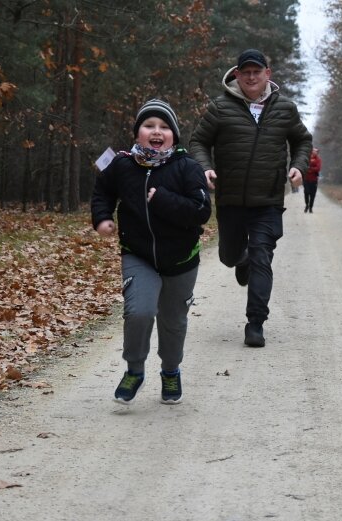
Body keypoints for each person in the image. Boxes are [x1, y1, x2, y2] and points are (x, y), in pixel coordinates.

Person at [189, 49, 312, 347]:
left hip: (267, 201)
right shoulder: (220, 108)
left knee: (262, 258)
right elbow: (198, 141)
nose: (252, 76)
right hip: (230, 200)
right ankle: (239, 259)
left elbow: (302, 141)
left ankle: (255, 323)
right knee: (229, 256)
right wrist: (204, 169)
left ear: (267, 74)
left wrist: (298, 166)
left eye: (257, 71)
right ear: (237, 75)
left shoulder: (285, 108)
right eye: (246, 72)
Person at [91, 99, 211, 405]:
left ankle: (170, 371)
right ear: (137, 133)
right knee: (139, 312)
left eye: (164, 127)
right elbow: (102, 190)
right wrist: (102, 218)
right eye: (149, 126)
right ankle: (134, 369)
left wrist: (163, 200)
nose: (156, 132)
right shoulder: (120, 164)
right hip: (138, 254)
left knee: (173, 321)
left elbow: (201, 211)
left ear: (174, 135)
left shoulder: (188, 168)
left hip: (181, 259)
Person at [304, 147, 321, 213]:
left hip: (314, 180)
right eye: (313, 150)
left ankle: (311, 207)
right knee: (306, 192)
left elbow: (318, 168)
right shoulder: (307, 158)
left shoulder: (318, 159)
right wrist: (311, 168)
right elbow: (304, 166)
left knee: (312, 194)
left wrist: (310, 169)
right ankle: (306, 205)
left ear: (317, 152)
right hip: (306, 179)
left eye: (315, 151)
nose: (314, 152)